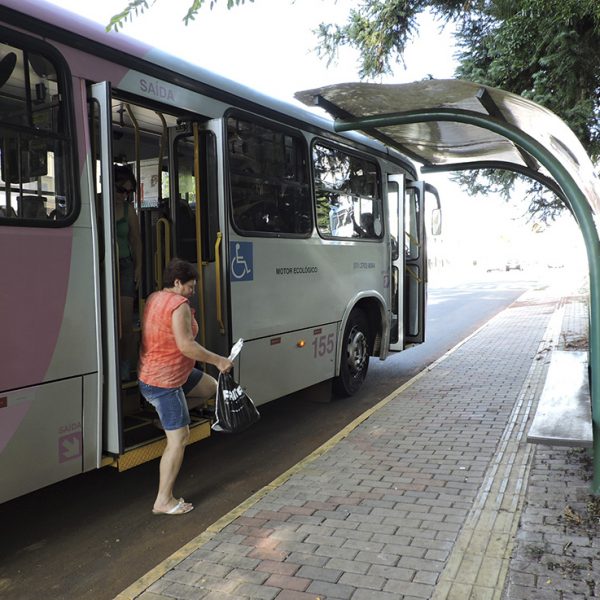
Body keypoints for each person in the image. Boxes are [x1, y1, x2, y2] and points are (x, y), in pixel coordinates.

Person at [138, 258, 233, 515]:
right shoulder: (178, 305)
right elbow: (186, 346)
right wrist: (219, 360)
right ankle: (163, 500)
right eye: (190, 286)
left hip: (163, 373)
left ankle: (166, 420)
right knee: (180, 439)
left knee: (209, 387)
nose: (193, 291)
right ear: (177, 283)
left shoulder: (154, 297)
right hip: (164, 382)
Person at [114, 164, 142, 381]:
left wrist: (139, 266)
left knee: (124, 323)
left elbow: (135, 240)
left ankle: (124, 364)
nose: (125, 196)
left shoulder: (128, 211)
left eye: (129, 192)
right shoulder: (95, 204)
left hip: (124, 265)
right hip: (103, 265)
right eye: (122, 190)